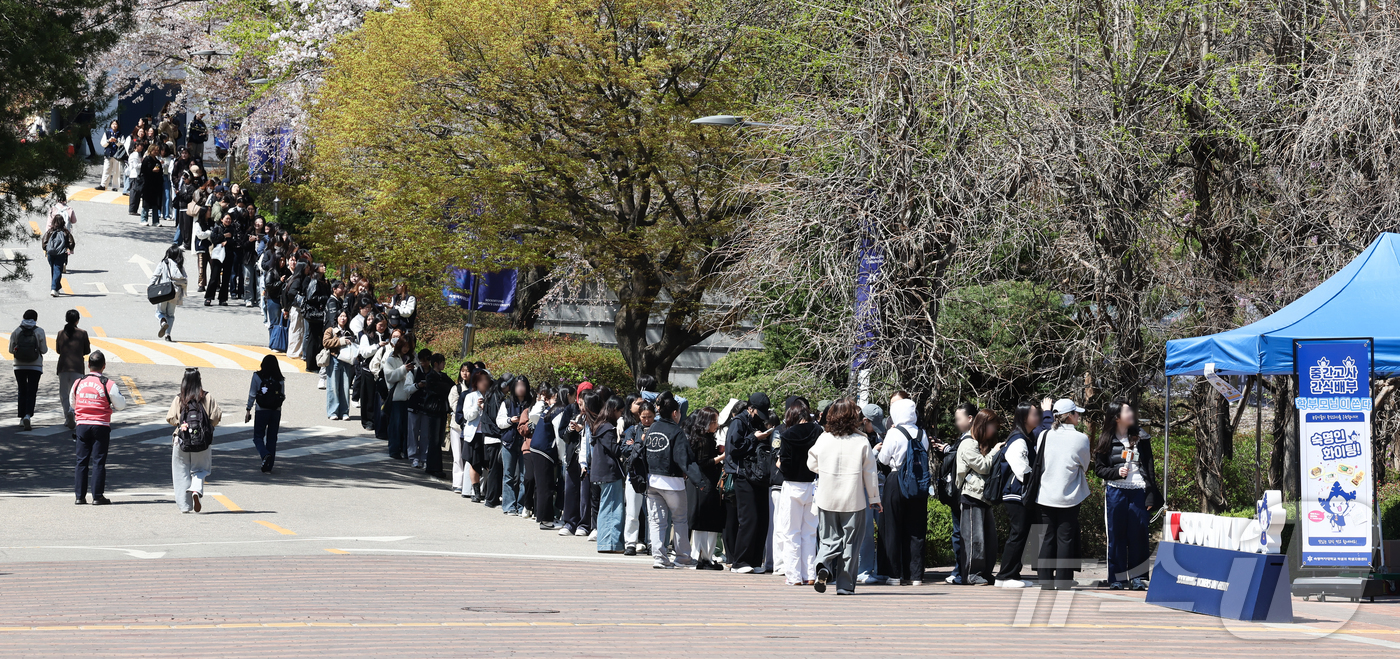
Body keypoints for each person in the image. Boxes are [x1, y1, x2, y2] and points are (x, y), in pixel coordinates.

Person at [807, 398, 882, 595]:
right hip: (853, 499)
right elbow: (870, 472)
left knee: (828, 539)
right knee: (850, 543)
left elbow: (811, 463)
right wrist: (874, 498)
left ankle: (823, 564)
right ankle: (845, 585)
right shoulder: (861, 441)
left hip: (826, 497)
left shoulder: (824, 438)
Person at [1094, 399, 1160, 591]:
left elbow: (1150, 468)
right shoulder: (1105, 439)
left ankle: (1138, 578)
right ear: (1116, 417)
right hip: (1115, 491)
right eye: (1127, 412)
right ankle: (1117, 578)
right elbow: (1099, 469)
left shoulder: (1141, 437)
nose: (1131, 414)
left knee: (1139, 535)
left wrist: (1150, 495)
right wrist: (1116, 473)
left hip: (1138, 490)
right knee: (1116, 535)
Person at [993, 399, 1052, 588]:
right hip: (1016, 494)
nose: (1038, 417)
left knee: (1021, 533)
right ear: (1024, 417)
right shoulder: (1018, 439)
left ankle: (1013, 574)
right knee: (1017, 534)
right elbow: (1021, 469)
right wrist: (1034, 478)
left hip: (1020, 494)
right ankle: (1004, 576)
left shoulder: (1025, 438)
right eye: (1035, 414)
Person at [1034, 399, 1091, 590]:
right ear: (1070, 415)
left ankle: (1045, 580)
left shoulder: (1044, 435)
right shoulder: (1081, 438)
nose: (1078, 416)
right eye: (1076, 413)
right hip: (1069, 494)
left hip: (1044, 494)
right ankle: (1064, 579)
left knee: (1046, 537)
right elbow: (1085, 465)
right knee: (1065, 538)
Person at [876, 398, 931, 586]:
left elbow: (883, 459)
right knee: (916, 529)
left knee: (893, 527)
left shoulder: (894, 433)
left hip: (896, 479)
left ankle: (893, 575)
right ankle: (915, 575)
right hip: (918, 482)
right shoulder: (922, 433)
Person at [643, 392, 700, 568]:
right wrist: (700, 480)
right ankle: (683, 557)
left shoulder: (652, 428)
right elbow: (684, 459)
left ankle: (659, 558)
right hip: (672, 482)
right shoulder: (677, 431)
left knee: (657, 520)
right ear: (675, 413)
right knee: (680, 519)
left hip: (652, 480)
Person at [724, 393, 775, 573]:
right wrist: (755, 438)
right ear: (750, 408)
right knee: (749, 518)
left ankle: (754, 561)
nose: (760, 416)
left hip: (759, 476)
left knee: (762, 519)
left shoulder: (757, 422)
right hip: (743, 476)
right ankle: (739, 562)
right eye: (757, 412)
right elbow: (734, 449)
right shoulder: (738, 422)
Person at [957, 409, 1004, 586]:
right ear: (984, 424)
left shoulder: (979, 443)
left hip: (983, 497)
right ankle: (971, 574)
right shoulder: (968, 444)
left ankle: (984, 573)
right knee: (974, 539)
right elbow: (983, 466)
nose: (994, 430)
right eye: (993, 426)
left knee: (989, 540)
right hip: (971, 496)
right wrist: (995, 451)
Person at [71, 351, 125, 505]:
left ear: (88, 365)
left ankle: (79, 497)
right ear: (104, 366)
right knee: (98, 461)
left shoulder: (79, 382)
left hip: (82, 425)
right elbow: (120, 405)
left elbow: (72, 403)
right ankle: (97, 496)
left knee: (81, 461)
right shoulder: (107, 383)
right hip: (100, 425)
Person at [776, 399, 821, 585]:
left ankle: (794, 576)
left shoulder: (787, 434)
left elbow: (784, 463)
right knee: (809, 532)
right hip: (813, 484)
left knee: (791, 532)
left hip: (792, 485)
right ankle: (810, 574)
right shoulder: (818, 431)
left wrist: (779, 465)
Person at [166, 368, 223, 513]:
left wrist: (181, 423)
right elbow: (215, 417)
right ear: (199, 380)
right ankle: (196, 490)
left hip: (182, 439)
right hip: (202, 441)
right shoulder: (207, 397)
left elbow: (170, 417)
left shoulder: (180, 398)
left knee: (180, 471)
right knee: (200, 469)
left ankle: (185, 506)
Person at [938, 402, 978, 585]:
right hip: (961, 492)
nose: (955, 422)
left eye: (958, 419)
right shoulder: (965, 437)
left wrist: (948, 451)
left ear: (970, 419)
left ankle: (961, 570)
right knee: (960, 532)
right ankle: (960, 569)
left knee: (961, 533)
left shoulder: (971, 439)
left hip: (964, 492)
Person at [685, 407, 725, 569]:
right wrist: (722, 456)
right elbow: (703, 463)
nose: (716, 424)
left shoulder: (701, 438)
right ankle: (702, 557)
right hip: (704, 482)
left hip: (700, 482)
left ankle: (703, 557)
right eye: (714, 421)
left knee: (705, 521)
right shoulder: (703, 440)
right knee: (704, 522)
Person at [588, 394, 627, 553]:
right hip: (610, 473)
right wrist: (623, 437)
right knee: (613, 508)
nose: (621, 415)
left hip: (601, 473)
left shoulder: (599, 426)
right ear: (614, 410)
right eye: (620, 412)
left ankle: (605, 543)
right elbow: (616, 450)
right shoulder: (608, 429)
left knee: (606, 507)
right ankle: (610, 544)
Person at [526, 386, 567, 530]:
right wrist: (563, 457)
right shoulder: (560, 410)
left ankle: (543, 517)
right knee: (546, 486)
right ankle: (546, 520)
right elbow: (559, 436)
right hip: (545, 449)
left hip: (537, 448)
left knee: (543, 485)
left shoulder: (551, 409)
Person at [495, 376, 534, 516]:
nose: (520, 388)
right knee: (508, 474)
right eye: (517, 385)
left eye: (523, 385)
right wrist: (510, 420)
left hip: (525, 442)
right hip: (509, 441)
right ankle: (509, 506)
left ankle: (522, 505)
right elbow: (499, 422)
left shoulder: (531, 404)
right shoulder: (506, 403)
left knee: (525, 476)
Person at [620, 396, 652, 555]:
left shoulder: (658, 429)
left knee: (653, 513)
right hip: (634, 474)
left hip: (653, 475)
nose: (646, 420)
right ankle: (630, 543)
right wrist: (641, 443)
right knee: (632, 511)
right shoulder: (632, 430)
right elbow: (625, 450)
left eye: (649, 417)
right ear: (639, 416)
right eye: (643, 417)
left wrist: (635, 445)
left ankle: (652, 543)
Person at [245, 355, 286, 473]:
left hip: (261, 410)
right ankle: (269, 466)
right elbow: (282, 395)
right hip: (276, 411)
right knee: (272, 438)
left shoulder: (257, 376)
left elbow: (252, 394)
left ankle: (264, 454)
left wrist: (248, 409)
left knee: (258, 437)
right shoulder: (280, 379)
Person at [9, 310, 48, 430]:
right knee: (32, 391)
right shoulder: (39, 331)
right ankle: (27, 415)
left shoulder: (17, 331)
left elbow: (11, 350)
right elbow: (44, 350)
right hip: (35, 366)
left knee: (22, 390)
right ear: (35, 319)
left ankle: (21, 418)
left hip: (19, 366)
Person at [55, 309, 92, 429]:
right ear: (77, 320)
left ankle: (67, 416)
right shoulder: (82, 333)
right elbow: (87, 351)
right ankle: (73, 411)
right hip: (77, 367)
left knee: (64, 393)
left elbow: (58, 350)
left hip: (63, 367)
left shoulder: (61, 333)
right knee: (76, 393)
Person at [380, 332, 415, 459]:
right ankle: (394, 450)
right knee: (395, 426)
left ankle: (406, 451)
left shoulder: (412, 358)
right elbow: (389, 377)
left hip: (410, 396)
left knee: (408, 427)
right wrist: (403, 370)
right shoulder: (391, 359)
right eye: (404, 346)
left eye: (408, 346)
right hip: (397, 397)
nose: (406, 349)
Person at [448, 364, 480, 495]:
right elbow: (455, 406)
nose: (465, 374)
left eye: (467, 371)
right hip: (457, 426)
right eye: (463, 371)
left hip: (472, 427)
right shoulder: (457, 388)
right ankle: (457, 483)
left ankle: (468, 484)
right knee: (457, 456)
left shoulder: (476, 390)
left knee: (467, 457)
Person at [323, 311, 355, 420]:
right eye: (341, 316)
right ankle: (333, 411)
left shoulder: (350, 331)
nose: (343, 318)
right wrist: (340, 341)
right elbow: (326, 342)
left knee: (345, 387)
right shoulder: (330, 330)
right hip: (334, 359)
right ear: (337, 318)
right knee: (333, 386)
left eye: (345, 316)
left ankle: (344, 412)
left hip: (346, 360)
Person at [151, 246, 187, 342]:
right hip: (175, 292)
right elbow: (185, 279)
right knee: (170, 315)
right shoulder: (180, 265)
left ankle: (163, 322)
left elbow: (156, 275)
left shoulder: (164, 263)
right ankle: (168, 335)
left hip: (164, 291)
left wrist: (151, 285)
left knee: (159, 312)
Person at [204, 213, 236, 306]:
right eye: (226, 219)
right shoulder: (217, 228)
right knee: (214, 277)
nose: (228, 221)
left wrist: (228, 242)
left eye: (230, 219)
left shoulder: (233, 229)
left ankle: (223, 299)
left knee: (226, 279)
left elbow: (236, 241)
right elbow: (214, 239)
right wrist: (224, 236)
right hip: (218, 257)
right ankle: (208, 297)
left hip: (229, 256)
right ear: (222, 219)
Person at [40, 216, 74, 297]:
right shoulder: (66, 232)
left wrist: (47, 249)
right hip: (61, 253)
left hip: (50, 254)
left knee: (54, 269)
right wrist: (69, 248)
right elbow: (71, 243)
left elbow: (44, 242)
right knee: (57, 270)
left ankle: (56, 287)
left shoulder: (50, 231)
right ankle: (54, 288)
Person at [140, 143, 165, 226]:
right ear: (150, 150)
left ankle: (155, 221)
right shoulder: (147, 159)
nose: (156, 152)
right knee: (146, 203)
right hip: (147, 184)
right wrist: (151, 171)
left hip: (156, 185)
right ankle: (143, 219)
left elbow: (161, 172)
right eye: (154, 150)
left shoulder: (157, 161)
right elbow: (143, 172)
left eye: (157, 150)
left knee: (155, 204)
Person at [99, 120, 123, 190]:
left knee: (116, 171)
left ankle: (115, 187)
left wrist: (116, 141)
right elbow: (102, 143)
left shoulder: (120, 134)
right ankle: (103, 185)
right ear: (111, 125)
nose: (114, 126)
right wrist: (108, 141)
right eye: (113, 124)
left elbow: (122, 144)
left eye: (116, 124)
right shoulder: (107, 133)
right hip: (108, 154)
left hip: (117, 155)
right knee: (106, 169)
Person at [126, 142, 146, 215]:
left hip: (134, 175)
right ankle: (132, 210)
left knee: (136, 193)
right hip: (135, 175)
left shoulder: (136, 154)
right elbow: (135, 165)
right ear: (136, 146)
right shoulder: (135, 154)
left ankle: (134, 210)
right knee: (134, 193)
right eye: (140, 145)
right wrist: (143, 163)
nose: (142, 147)